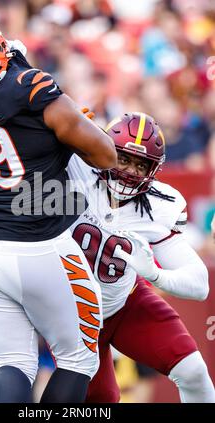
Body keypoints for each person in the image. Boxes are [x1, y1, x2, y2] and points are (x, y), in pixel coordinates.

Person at [0, 12, 117, 403]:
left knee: (10, 361)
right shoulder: (30, 87)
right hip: (41, 242)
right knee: (79, 359)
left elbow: (1, 104)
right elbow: (105, 154)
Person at [67, 112, 215, 402]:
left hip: (125, 303)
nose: (131, 171)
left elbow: (200, 285)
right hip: (72, 314)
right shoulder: (76, 172)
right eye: (123, 159)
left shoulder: (158, 206)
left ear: (153, 170)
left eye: (140, 164)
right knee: (102, 399)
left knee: (193, 371)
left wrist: (156, 275)